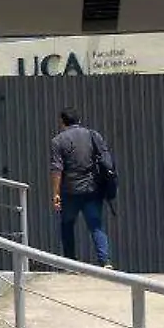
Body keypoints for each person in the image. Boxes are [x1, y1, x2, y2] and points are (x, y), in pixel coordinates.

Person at [50, 108, 113, 268]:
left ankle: (71, 263)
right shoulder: (93, 135)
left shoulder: (58, 141)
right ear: (79, 120)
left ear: (62, 122)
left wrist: (56, 193)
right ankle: (105, 261)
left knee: (67, 225)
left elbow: (57, 169)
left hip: (70, 191)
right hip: (92, 189)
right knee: (96, 225)